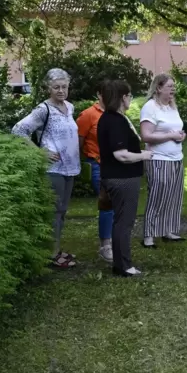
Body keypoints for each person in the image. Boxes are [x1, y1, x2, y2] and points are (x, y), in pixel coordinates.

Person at [12, 68, 81, 268]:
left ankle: (56, 249)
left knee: (62, 211)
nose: (61, 90)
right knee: (55, 211)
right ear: (48, 88)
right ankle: (51, 254)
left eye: (64, 86)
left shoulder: (70, 107)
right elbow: (19, 130)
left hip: (70, 167)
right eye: (56, 87)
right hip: (54, 169)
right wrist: (40, 152)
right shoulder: (44, 109)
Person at [97, 80, 153, 277]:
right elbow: (121, 154)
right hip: (122, 179)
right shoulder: (116, 121)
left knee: (119, 221)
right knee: (124, 222)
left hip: (117, 177)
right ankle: (124, 266)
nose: (130, 99)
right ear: (123, 98)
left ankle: (120, 263)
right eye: (129, 95)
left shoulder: (108, 118)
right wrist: (144, 156)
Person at [140, 74, 187, 248]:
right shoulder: (150, 107)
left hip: (176, 158)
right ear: (158, 88)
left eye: (174, 86)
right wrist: (171, 135)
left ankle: (168, 230)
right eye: (170, 86)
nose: (173, 89)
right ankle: (149, 235)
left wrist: (181, 136)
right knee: (157, 196)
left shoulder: (172, 107)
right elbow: (146, 135)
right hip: (158, 159)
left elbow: (176, 130)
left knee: (174, 196)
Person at [76, 83, 114, 263]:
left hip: (116, 165)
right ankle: (105, 245)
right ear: (98, 94)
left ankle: (113, 240)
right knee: (107, 204)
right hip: (98, 165)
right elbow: (78, 143)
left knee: (115, 203)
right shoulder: (88, 115)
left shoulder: (116, 113)